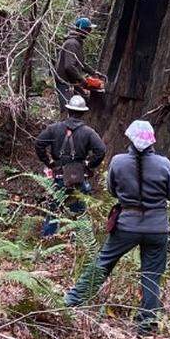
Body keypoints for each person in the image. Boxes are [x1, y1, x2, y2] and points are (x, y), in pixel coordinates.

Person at [65, 120, 170, 335]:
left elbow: (111, 191)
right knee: (151, 274)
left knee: (104, 262)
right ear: (151, 141)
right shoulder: (164, 164)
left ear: (129, 138)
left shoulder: (118, 162)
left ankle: (71, 301)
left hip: (126, 225)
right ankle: (146, 325)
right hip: (157, 229)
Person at [34, 94, 107, 237]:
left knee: (54, 210)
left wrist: (48, 162)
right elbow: (101, 150)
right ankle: (80, 243)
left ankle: (48, 240)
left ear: (68, 111)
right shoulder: (89, 132)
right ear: (83, 113)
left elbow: (39, 144)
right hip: (79, 177)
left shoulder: (54, 129)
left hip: (59, 176)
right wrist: (89, 164)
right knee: (80, 213)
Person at [54, 17, 100, 107]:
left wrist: (93, 72)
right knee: (67, 107)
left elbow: (81, 63)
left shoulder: (77, 43)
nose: (89, 32)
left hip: (72, 80)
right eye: (88, 29)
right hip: (65, 82)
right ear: (82, 30)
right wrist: (83, 80)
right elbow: (69, 67)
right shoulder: (72, 43)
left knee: (82, 102)